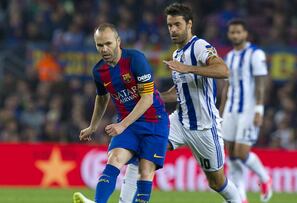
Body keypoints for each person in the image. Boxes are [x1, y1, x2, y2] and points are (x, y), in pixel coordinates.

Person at [119, 3, 243, 203]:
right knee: (143, 149)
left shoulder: (200, 47)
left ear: (189, 24)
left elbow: (223, 71)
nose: (173, 30)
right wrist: (151, 97)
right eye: (169, 25)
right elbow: (178, 92)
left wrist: (188, 68)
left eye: (177, 24)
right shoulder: (177, 54)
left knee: (216, 182)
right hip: (179, 121)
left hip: (204, 127)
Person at [72, 23, 169, 203]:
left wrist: (122, 125)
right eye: (100, 45)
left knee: (145, 171)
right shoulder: (98, 71)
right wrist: (92, 126)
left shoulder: (135, 59)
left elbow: (147, 98)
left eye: (108, 43)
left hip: (154, 121)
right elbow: (102, 98)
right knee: (114, 158)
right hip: (128, 125)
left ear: (118, 41)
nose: (104, 49)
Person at [219, 19, 272, 203]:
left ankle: (264, 178)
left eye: (238, 32)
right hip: (231, 110)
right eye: (232, 32)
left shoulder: (255, 54)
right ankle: (240, 197)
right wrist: (221, 111)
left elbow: (261, 84)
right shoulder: (229, 57)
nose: (235, 35)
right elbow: (227, 87)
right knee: (232, 155)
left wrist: (259, 110)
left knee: (241, 152)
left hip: (248, 110)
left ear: (245, 34)